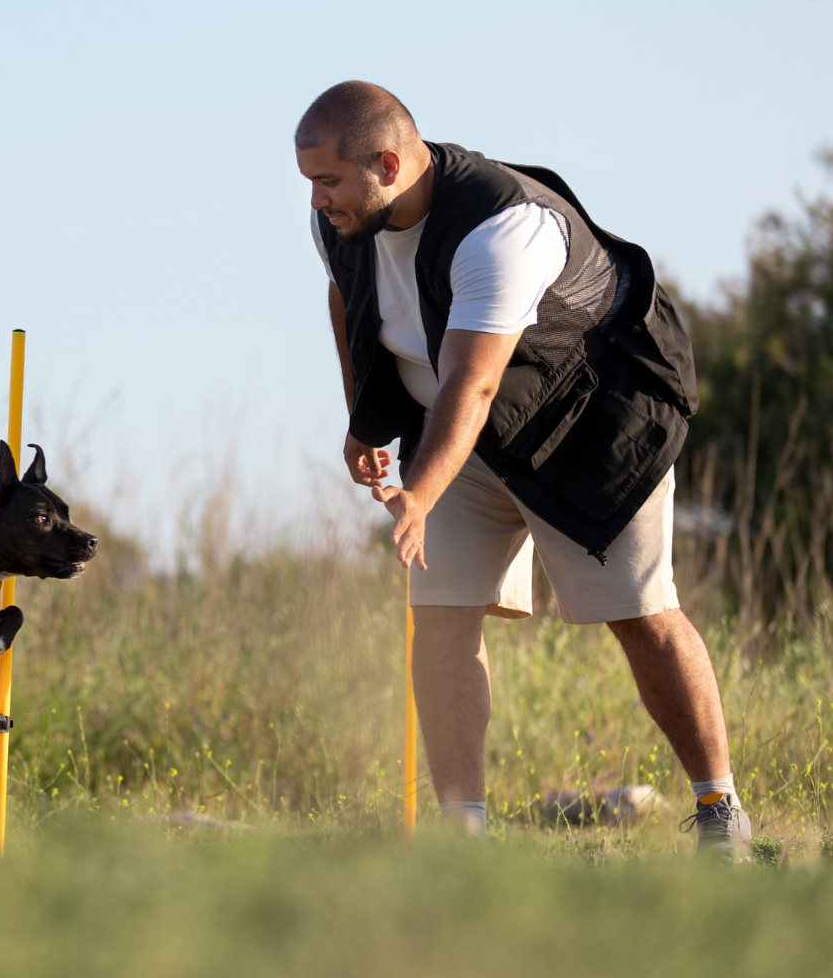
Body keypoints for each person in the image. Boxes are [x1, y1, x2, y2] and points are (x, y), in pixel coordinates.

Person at [296, 80, 750, 857]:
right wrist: (361, 421)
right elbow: (348, 302)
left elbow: (473, 382)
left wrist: (417, 496)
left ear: (389, 163)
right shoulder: (338, 219)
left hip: (588, 430)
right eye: (309, 181)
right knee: (439, 613)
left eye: (329, 180)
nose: (317, 198)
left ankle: (719, 810)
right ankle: (461, 844)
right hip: (464, 438)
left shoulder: (501, 230)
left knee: (640, 615)